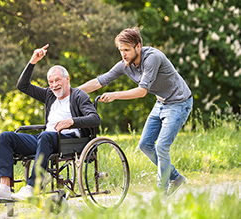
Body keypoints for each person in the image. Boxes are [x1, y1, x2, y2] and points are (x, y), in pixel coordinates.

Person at [78, 27, 193, 196]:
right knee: (145, 145)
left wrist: (115, 95)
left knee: (161, 145)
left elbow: (141, 91)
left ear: (138, 46)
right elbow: (99, 81)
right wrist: (71, 93)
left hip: (179, 103)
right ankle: (175, 177)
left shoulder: (152, 58)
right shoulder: (126, 64)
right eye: (120, 50)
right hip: (161, 102)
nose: (123, 54)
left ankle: (162, 191)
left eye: (126, 50)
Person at [0, 44, 101, 201]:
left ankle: (31, 187)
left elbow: (95, 119)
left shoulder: (79, 96)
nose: (54, 85)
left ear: (67, 79)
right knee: (6, 137)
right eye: (51, 82)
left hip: (68, 141)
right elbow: (22, 86)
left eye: (58, 80)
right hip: (45, 139)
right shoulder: (49, 95)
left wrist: (71, 122)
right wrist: (33, 61)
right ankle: (4, 187)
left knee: (45, 136)